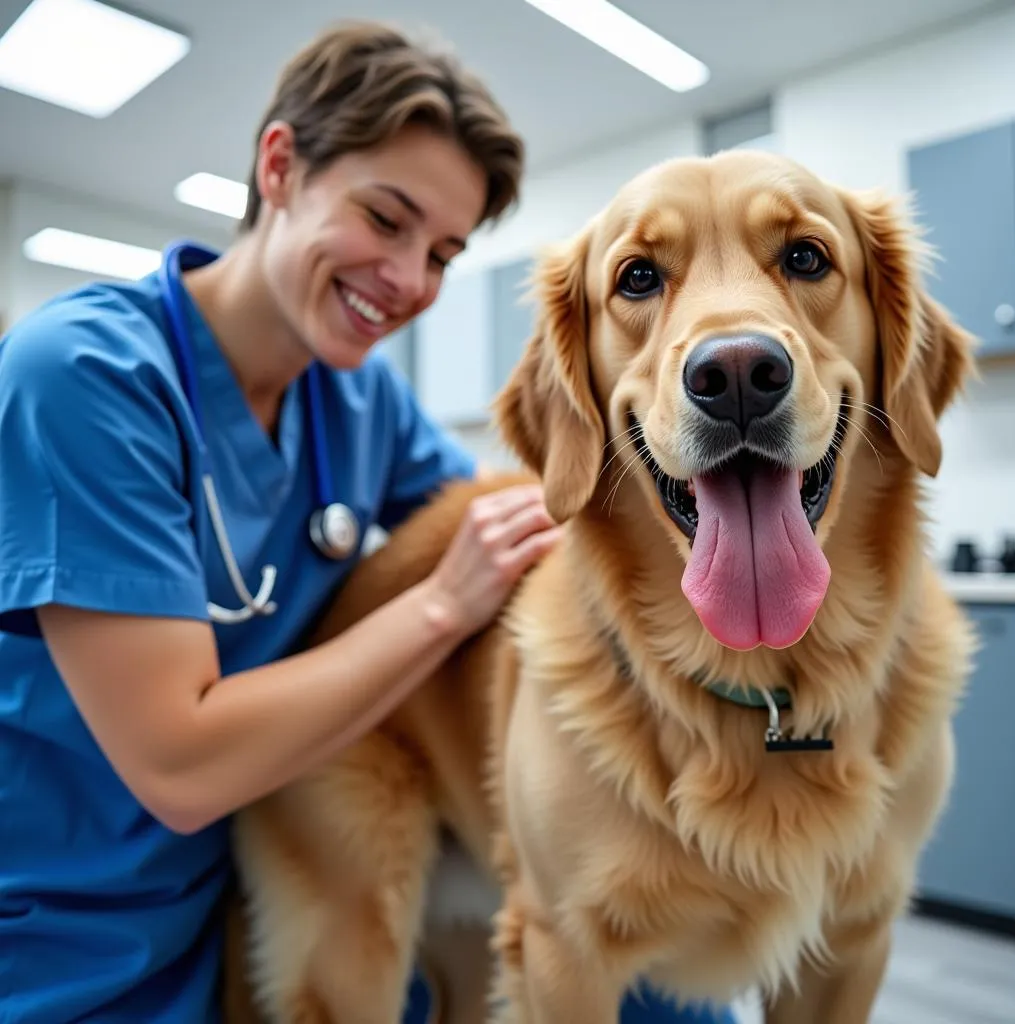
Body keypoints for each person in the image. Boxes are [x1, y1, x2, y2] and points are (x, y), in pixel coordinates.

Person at [0, 19, 734, 1024]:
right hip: (70, 934)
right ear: (279, 165)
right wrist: (438, 604)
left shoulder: (355, 404)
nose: (409, 282)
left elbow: (522, 526)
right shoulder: (82, 378)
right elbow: (181, 763)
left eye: (441, 251)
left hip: (257, 872)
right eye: (385, 219)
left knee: (674, 1001)